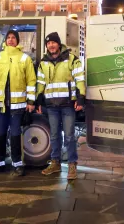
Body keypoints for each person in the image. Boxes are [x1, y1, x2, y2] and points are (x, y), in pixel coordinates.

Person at [0, 30, 36, 176]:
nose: (11, 40)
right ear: (5, 40)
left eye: (13, 38)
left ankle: (17, 164)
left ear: (17, 41)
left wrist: (31, 101)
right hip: (0, 105)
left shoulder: (24, 58)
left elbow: (31, 81)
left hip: (18, 106)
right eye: (8, 37)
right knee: (0, 134)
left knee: (15, 135)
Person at [36, 32, 85, 180]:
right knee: (55, 135)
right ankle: (55, 162)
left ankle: (72, 164)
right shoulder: (43, 63)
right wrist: (38, 100)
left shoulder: (71, 59)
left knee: (69, 136)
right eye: (48, 43)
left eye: (53, 42)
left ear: (58, 44)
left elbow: (80, 79)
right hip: (51, 105)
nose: (51, 45)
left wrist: (81, 97)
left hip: (67, 104)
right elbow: (40, 83)